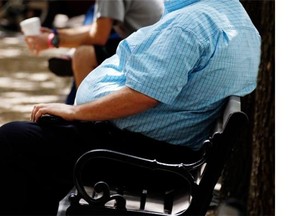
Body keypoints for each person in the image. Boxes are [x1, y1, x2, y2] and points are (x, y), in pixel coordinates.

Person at [0, 0, 261, 215]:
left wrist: (75, 111)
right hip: (166, 152)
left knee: (14, 139)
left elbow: (144, 96)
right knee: (41, 134)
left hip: (143, 159)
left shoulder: (192, 25)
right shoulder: (236, 18)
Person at [24, 0, 164, 104]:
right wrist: (56, 36)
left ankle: (84, 120)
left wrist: (52, 40)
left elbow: (99, 36)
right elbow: (98, 28)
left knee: (84, 54)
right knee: (87, 32)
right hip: (145, 45)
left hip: (150, 53)